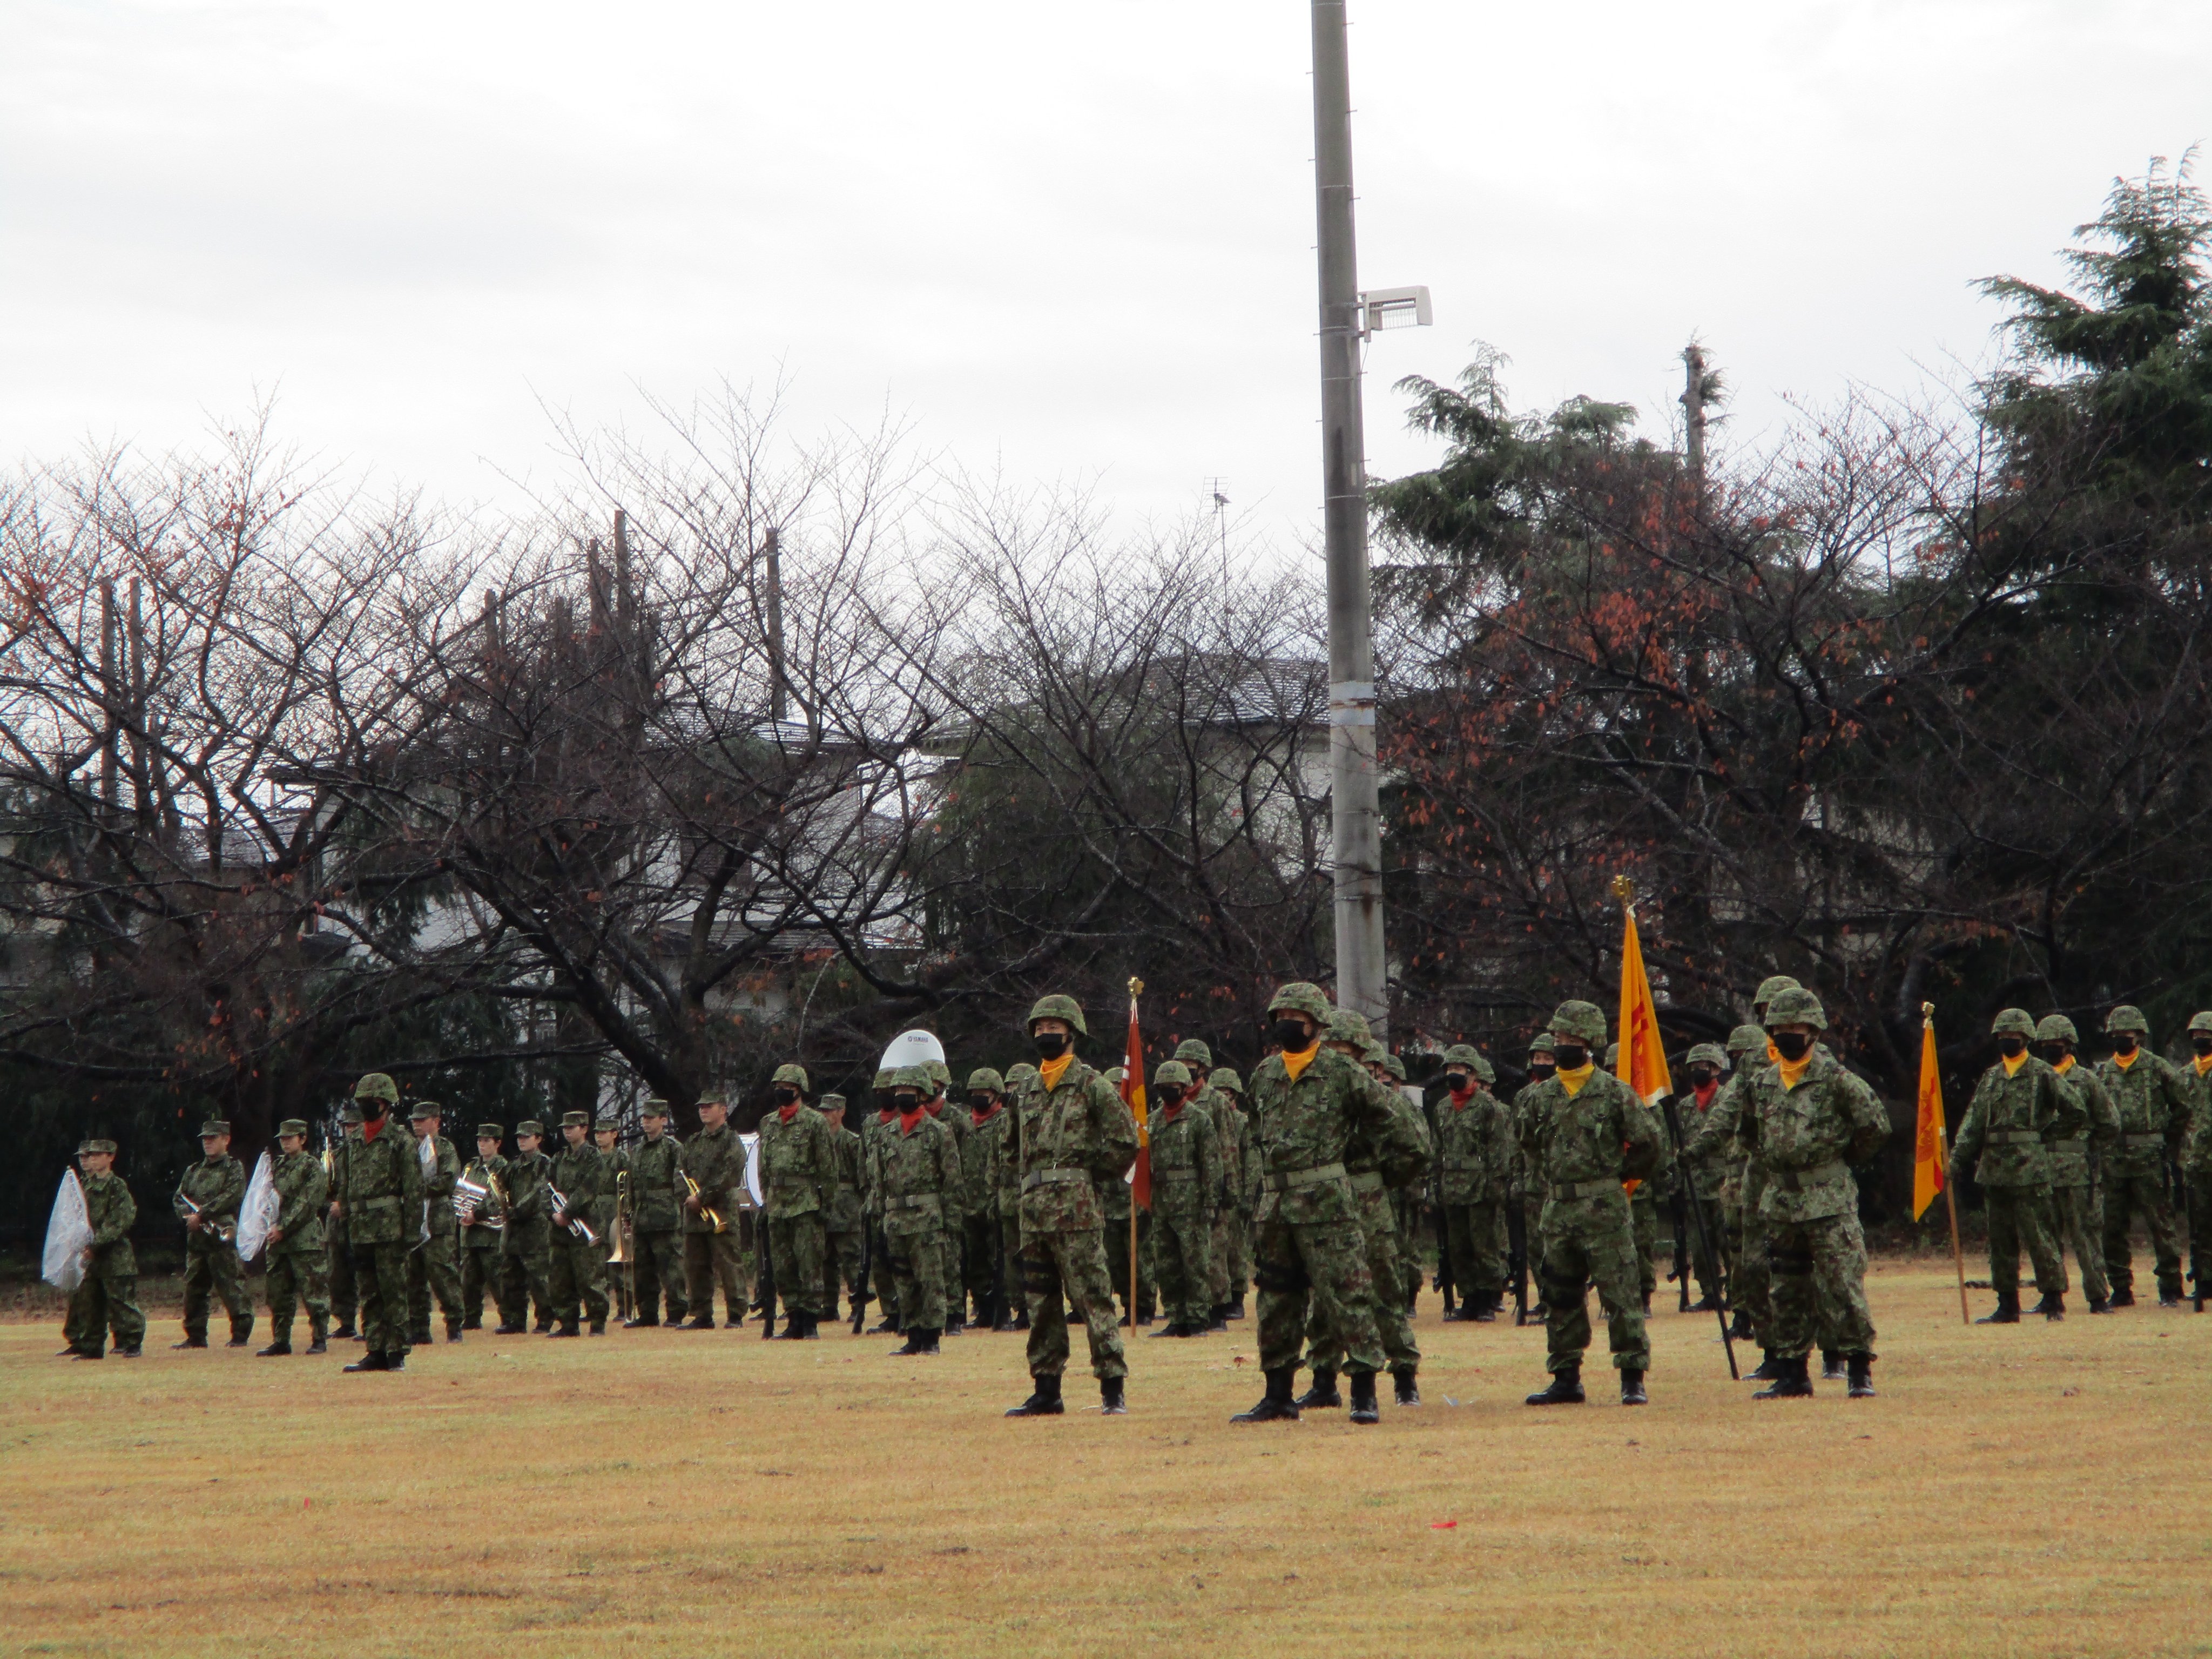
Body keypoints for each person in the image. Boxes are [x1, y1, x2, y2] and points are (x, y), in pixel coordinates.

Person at [1231, 983, 1425, 1427]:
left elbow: (1398, 1124)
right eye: (1281, 1015)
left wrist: (1383, 1180)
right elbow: (1259, 1133)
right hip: (1277, 1206)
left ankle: (1363, 1393)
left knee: (1347, 1296)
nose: (1288, 1024)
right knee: (1277, 1301)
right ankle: (1277, 1394)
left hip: (1329, 1204)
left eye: (1297, 1016)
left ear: (1317, 1024)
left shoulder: (1342, 1070)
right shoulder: (1264, 1074)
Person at [1741, 988, 1890, 1398]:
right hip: (1782, 1202)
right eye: (1780, 1028)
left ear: (1814, 1032)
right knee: (1786, 1289)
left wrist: (1837, 1162)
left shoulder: (1838, 1081)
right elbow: (1750, 1134)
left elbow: (1874, 1127)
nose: (1788, 1035)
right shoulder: (1762, 1083)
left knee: (1842, 1284)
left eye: (1796, 1028)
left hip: (1828, 1200)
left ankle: (1859, 1368)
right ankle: (1792, 1373)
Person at [1515, 1000, 1662, 1407]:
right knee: (1559, 1294)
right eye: (1559, 1038)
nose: (1563, 1045)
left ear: (1591, 1043)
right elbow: (1528, 1141)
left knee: (1620, 1292)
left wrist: (1618, 1174)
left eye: (1572, 1039)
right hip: (1559, 1210)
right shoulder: (1538, 1098)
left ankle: (1632, 1377)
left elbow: (1650, 1143)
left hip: (1605, 1210)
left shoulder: (1615, 1094)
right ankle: (1566, 1377)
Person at [1005, 995, 1138, 1418]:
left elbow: (1125, 1141)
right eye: (1040, 1029)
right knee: (1040, 1303)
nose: (1046, 1035)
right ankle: (1047, 1390)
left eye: (1054, 1028)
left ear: (1072, 1033)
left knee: (1093, 1298)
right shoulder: (1024, 1090)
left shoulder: (1091, 1085)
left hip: (1077, 1213)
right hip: (1034, 1214)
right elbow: (1009, 1147)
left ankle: (1112, 1389)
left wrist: (1087, 1173)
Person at [1297, 1016, 1429, 1410]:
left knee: (1384, 1292)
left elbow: (1416, 1148)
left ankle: (1404, 1377)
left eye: (1346, 1053)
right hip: (1326, 1202)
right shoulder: (1316, 1096)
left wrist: (1383, 1179)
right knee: (1324, 1295)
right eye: (1331, 1051)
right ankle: (1323, 1379)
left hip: (1368, 1202)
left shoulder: (1379, 1099)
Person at [1951, 1009, 2083, 1323]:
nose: (2008, 1042)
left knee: (2040, 1236)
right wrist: (1956, 1159)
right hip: (1995, 1169)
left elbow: (2075, 1110)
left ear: (2026, 1040)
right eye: (2002, 1038)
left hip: (2029, 1169)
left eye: (2014, 1038)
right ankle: (2007, 1304)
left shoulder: (2042, 1073)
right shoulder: (1991, 1077)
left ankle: (2053, 1299)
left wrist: (2044, 1137)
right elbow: (1973, 1123)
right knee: (2000, 1240)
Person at [2094, 1005, 2193, 1307]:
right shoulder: (2102, 1072)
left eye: (2128, 1034)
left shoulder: (2158, 1068)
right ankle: (2121, 1289)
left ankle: (2170, 1289)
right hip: (2114, 1161)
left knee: (2161, 1226)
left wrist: (2166, 1138)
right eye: (2117, 1035)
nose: (2122, 1039)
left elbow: (2183, 1107)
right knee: (2112, 1228)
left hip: (2150, 1159)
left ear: (2140, 1036)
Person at [2034, 1015, 2119, 1314]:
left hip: (2078, 1171)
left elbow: (2110, 1123)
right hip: (2041, 1169)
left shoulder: (2087, 1080)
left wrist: (2087, 1149)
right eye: (2046, 1045)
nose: (2051, 1049)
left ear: (2069, 1045)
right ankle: (2050, 1296)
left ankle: (2098, 1297)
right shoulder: (2035, 1079)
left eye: (2057, 1045)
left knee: (2085, 1234)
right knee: (2046, 1236)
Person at [341, 1072, 425, 1373]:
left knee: (393, 1290)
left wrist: (412, 1232)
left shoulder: (401, 1141)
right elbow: (345, 1186)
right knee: (369, 1292)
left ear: (387, 1105)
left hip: (391, 1227)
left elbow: (414, 1190)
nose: (366, 1107)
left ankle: (397, 1352)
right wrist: (346, 1222)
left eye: (372, 1102)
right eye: (363, 1101)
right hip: (361, 1228)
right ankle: (375, 1349)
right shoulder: (352, 1142)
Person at [876, 1065, 961, 1355]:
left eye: (909, 1091)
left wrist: (950, 1222)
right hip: (896, 1220)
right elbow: (879, 1180)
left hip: (928, 1219)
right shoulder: (886, 1134)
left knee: (931, 1280)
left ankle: (932, 1337)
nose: (902, 1096)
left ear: (923, 1094)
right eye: (898, 1091)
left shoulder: (939, 1132)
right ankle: (912, 1334)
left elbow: (952, 1181)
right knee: (904, 1280)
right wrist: (881, 1218)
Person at [758, 1064, 837, 1340]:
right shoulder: (768, 1123)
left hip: (805, 1204)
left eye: (787, 1087)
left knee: (809, 1264)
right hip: (778, 1204)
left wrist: (825, 1205)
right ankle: (792, 1317)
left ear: (798, 1090)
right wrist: (766, 1200)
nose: (781, 1091)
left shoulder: (815, 1123)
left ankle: (810, 1320)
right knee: (783, 1266)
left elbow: (828, 1168)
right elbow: (763, 1166)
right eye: (778, 1086)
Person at [1433, 1045, 1510, 1321]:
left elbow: (1499, 1151)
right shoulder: (1442, 1108)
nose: (1453, 1073)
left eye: (1459, 1069)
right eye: (1449, 1069)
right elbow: (1436, 1150)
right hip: (1452, 1187)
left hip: (1480, 1187)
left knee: (1484, 1244)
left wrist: (1496, 1188)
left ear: (1472, 1073)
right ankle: (1467, 1298)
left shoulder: (1488, 1107)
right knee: (1458, 1246)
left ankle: (1488, 1299)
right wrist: (1435, 1187)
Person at [1144, 1060, 1219, 1338]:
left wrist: (1211, 1203)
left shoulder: (1200, 1120)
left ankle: (1198, 1318)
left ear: (1185, 1088)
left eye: (1174, 1087)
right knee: (1166, 1263)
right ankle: (1175, 1316)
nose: (1168, 1092)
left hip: (1192, 1202)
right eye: (1163, 1088)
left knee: (1195, 1262)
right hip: (1161, 1202)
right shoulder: (1151, 1122)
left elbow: (1211, 1164)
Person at [172, 1117, 252, 1350]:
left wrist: (203, 1214)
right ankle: (195, 1335)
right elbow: (179, 1197)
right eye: (205, 1139)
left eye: (213, 1138)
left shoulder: (233, 1168)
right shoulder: (193, 1170)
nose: (207, 1143)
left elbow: (233, 1195)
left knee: (231, 1285)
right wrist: (187, 1217)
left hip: (221, 1235)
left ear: (226, 1140)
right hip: (198, 1238)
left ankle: (240, 1332)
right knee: (194, 1287)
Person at [59, 1138, 143, 1359]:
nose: (93, 1159)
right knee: (90, 1303)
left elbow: (120, 1220)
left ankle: (132, 1341)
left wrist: (95, 1244)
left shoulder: (116, 1186)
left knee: (121, 1303)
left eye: (98, 1155)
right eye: (91, 1155)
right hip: (91, 1258)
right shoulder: (84, 1187)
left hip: (114, 1257)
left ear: (110, 1157)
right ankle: (92, 1346)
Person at [258, 1119, 331, 1356]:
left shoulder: (311, 1167)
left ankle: (319, 1338)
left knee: (313, 1291)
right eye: (282, 1138)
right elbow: (263, 1197)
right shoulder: (276, 1166)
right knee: (278, 1294)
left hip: (304, 1239)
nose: (285, 1142)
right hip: (279, 1241)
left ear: (302, 1139)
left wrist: (283, 1227)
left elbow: (307, 1203)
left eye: (290, 1138)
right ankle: (281, 1340)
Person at [679, 1095, 748, 1328]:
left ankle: (736, 1314)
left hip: (722, 1211)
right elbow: (680, 1174)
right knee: (695, 1265)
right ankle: (701, 1314)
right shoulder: (693, 1141)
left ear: (723, 1110)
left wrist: (702, 1196)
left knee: (728, 1262)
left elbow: (730, 1174)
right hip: (694, 1214)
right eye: (701, 1107)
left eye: (709, 1107)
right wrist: (688, 1198)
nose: (703, 1110)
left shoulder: (731, 1140)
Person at [1673, 1043, 1733, 1310]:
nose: (1698, 1071)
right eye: (1694, 1067)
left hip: (1724, 1182)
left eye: (1704, 1067)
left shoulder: (1728, 1101)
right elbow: (1676, 1146)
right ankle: (1710, 1292)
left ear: (1717, 1069)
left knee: (1728, 1241)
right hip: (1695, 1185)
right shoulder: (1684, 1107)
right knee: (1700, 1245)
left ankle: (1736, 1291)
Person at [406, 1102, 465, 1345]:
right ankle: (419, 1328)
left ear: (436, 1121)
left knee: (443, 1274)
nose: (417, 1124)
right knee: (413, 1277)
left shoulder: (445, 1148)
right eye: (414, 1120)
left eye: (422, 1120)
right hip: (412, 1222)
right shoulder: (408, 1148)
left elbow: (449, 1181)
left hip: (438, 1222)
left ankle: (454, 1325)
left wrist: (415, 1189)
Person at [625, 1100, 689, 1327]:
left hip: (665, 1216)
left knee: (671, 1268)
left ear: (663, 1120)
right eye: (644, 1118)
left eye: (651, 1118)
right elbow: (631, 1184)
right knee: (642, 1269)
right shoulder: (638, 1150)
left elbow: (680, 1181)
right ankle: (647, 1313)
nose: (646, 1122)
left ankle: (676, 1312)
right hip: (642, 1216)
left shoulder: (673, 1148)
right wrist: (628, 1213)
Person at [547, 1109, 609, 1336]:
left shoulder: (594, 1157)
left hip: (586, 1224)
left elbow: (589, 1188)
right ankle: (568, 1323)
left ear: (584, 1129)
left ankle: (597, 1323)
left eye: (572, 1128)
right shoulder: (559, 1158)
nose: (567, 1132)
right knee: (560, 1278)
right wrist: (553, 1213)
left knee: (590, 1277)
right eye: (565, 1128)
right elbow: (547, 1188)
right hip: (560, 1228)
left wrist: (567, 1211)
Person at [960, 1070, 1011, 1328]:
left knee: (999, 1260)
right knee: (975, 1261)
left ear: (996, 1095)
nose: (979, 1098)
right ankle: (982, 1309)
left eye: (984, 1094)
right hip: (969, 1204)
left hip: (996, 1202)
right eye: (975, 1094)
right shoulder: (964, 1124)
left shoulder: (1006, 1122)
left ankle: (1004, 1312)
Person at [992, 1065, 1037, 1331]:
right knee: (1011, 1258)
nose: (1012, 1093)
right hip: (1008, 1198)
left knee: (1035, 1254)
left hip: (1034, 1196)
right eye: (1009, 1088)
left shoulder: (1038, 1118)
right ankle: (1020, 1307)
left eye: (1017, 1088)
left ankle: (1037, 1305)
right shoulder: (1001, 1123)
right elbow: (994, 1164)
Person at [497, 1120, 554, 1334]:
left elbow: (540, 1191)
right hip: (514, 1228)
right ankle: (514, 1319)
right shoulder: (513, 1165)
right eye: (519, 1137)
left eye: (526, 1137)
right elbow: (499, 1188)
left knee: (539, 1277)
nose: (522, 1141)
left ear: (538, 1139)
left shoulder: (545, 1164)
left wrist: (517, 1210)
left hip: (535, 1227)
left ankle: (545, 1320)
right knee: (511, 1276)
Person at [1211, 1067, 1255, 1320]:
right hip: (1213, 1188)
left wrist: (1247, 1194)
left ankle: (1237, 1296)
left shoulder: (1243, 1123)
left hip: (1236, 1189)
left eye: (1227, 1094)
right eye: (1218, 1093)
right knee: (1215, 1249)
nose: (1223, 1098)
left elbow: (1251, 1159)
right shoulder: (1208, 1118)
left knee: (1235, 1247)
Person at [457, 1124, 509, 1331]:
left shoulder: (503, 1167)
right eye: (480, 1141)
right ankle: (471, 1317)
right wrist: (462, 1213)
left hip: (491, 1233)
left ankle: (507, 1317)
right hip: (470, 1233)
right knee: (469, 1279)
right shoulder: (471, 1167)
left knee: (497, 1277)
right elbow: (462, 1193)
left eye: (487, 1141)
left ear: (497, 1143)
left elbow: (499, 1198)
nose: (482, 1145)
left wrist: (476, 1214)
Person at [326, 1103, 362, 1339]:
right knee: (337, 1274)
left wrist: (346, 1206)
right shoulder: (337, 1155)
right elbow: (327, 1186)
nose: (349, 1129)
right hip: (338, 1225)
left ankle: (371, 1324)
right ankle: (346, 1321)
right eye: (346, 1125)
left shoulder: (368, 1153)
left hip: (361, 1220)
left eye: (354, 1125)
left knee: (364, 1275)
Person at [593, 1117, 631, 1324]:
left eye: (604, 1132)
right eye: (597, 1133)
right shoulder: (593, 1158)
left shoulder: (622, 1158)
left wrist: (625, 1214)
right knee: (596, 1265)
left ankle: (625, 1308)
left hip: (615, 1209)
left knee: (619, 1264)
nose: (599, 1136)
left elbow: (627, 1186)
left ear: (614, 1134)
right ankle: (597, 1308)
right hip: (596, 1211)